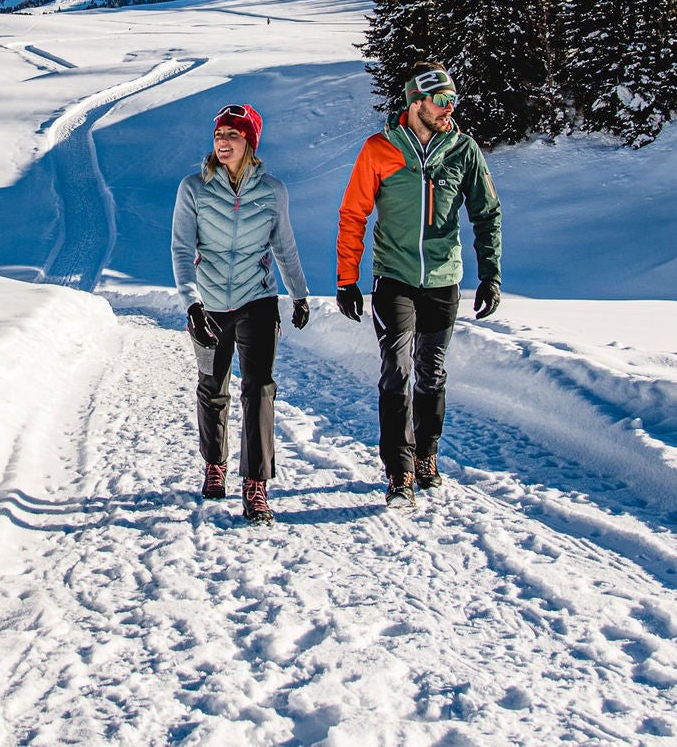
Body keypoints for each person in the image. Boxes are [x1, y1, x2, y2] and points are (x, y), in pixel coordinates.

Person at [335, 65, 503, 507]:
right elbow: (353, 214)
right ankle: (399, 471)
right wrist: (346, 280)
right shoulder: (379, 150)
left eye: (454, 101)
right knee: (397, 369)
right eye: (442, 101)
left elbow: (487, 213)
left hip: (445, 279)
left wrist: (491, 274)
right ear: (416, 103)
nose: (450, 109)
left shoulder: (463, 150)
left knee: (431, 372)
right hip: (394, 278)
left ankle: (427, 454)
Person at [170, 102, 313, 525]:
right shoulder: (193, 188)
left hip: (257, 299)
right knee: (213, 387)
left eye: (232, 135)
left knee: (259, 389)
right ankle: (215, 463)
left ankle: (256, 484)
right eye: (218, 135)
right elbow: (181, 248)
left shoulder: (272, 191)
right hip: (209, 304)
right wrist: (191, 302)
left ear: (250, 142)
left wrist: (299, 294)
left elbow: (284, 245)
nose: (223, 142)